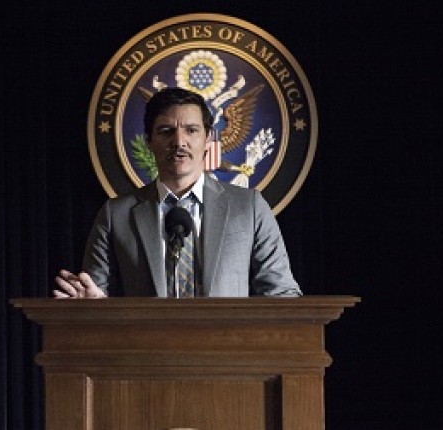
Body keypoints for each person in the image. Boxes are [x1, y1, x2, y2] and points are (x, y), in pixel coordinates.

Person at [54, 87, 301, 298]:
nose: (179, 142)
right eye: (166, 131)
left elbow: (282, 295)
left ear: (208, 139)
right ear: (149, 141)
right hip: (147, 341)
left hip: (227, 341)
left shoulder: (249, 207)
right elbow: (95, 294)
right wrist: (91, 305)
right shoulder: (115, 215)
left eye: (191, 130)